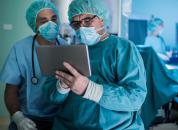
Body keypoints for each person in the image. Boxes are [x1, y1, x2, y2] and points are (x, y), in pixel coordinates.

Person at [44, 0, 147, 130]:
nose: (82, 27)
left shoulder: (122, 48)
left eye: (87, 20)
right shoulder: (70, 52)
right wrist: (63, 86)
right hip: (69, 125)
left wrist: (90, 89)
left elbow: (135, 97)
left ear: (102, 20)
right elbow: (53, 99)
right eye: (76, 24)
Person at [0, 1, 65, 130]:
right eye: (44, 21)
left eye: (53, 19)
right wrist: (18, 117)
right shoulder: (20, 49)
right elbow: (11, 89)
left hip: (59, 117)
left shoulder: (66, 48)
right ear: (34, 24)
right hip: (28, 117)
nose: (51, 24)